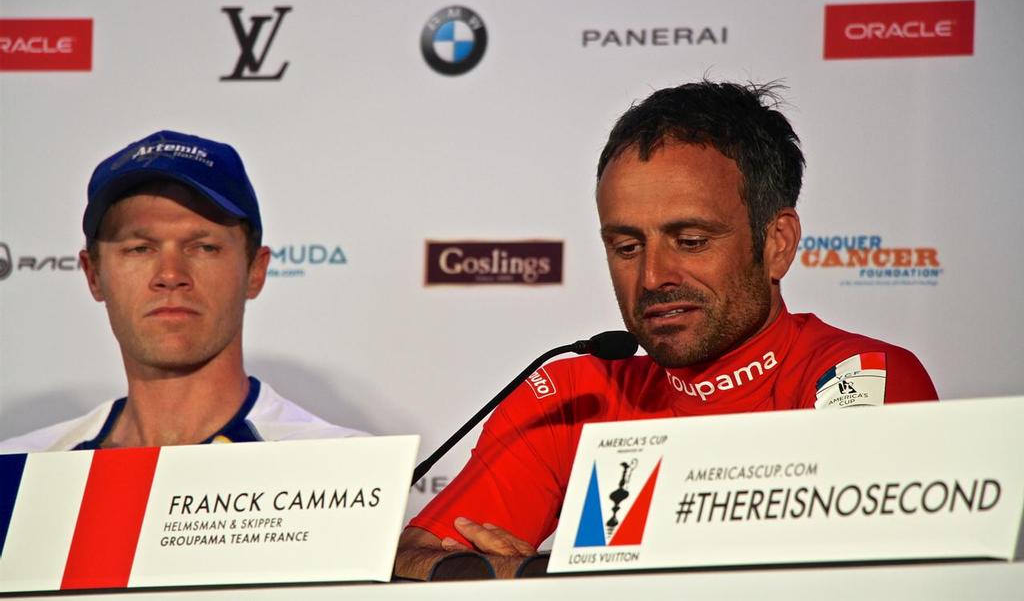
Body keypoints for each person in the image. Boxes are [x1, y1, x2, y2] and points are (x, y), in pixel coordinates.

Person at [395, 80, 938, 579]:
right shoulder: (574, 395)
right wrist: (547, 576)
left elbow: (844, 579)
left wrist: (549, 577)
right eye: (627, 248)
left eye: (692, 240)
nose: (653, 278)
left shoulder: (857, 378)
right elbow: (406, 562)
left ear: (776, 242)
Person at [0, 130, 362, 452]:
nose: (171, 275)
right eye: (139, 249)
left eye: (204, 247)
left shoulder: (336, 467)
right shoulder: (21, 473)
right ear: (93, 275)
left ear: (255, 271)